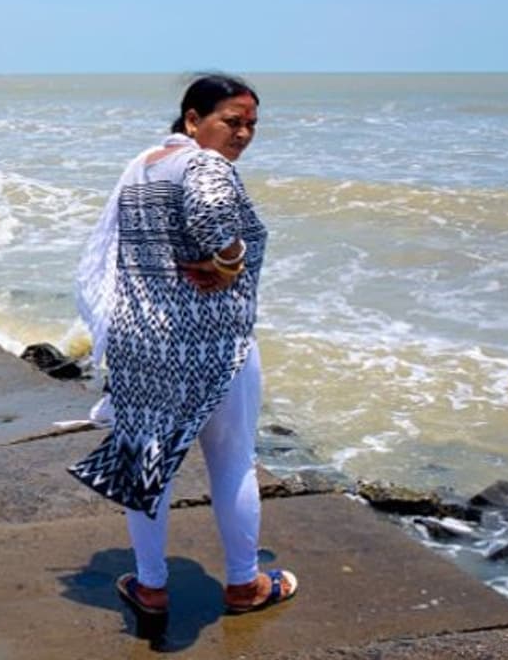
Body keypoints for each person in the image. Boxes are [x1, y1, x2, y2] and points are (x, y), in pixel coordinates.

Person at [68, 74, 297, 618]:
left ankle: (150, 587)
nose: (243, 134)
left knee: (147, 461)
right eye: (232, 121)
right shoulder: (204, 164)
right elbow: (216, 219)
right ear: (193, 120)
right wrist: (230, 259)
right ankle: (244, 585)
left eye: (251, 125)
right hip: (213, 347)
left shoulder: (145, 166)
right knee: (234, 461)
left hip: (143, 342)